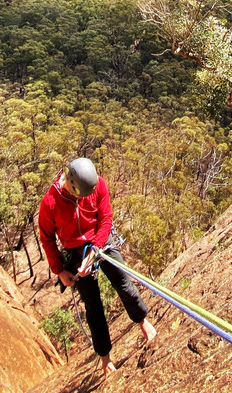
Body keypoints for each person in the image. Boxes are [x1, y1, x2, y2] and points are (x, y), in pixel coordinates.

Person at [38, 157, 156, 379]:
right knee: (93, 306)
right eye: (78, 196)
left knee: (123, 282)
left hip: (100, 241)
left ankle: (142, 321)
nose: (81, 199)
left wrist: (96, 248)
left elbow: (105, 219)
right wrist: (60, 270)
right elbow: (46, 238)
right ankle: (105, 358)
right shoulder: (50, 203)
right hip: (75, 251)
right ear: (69, 183)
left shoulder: (97, 185)